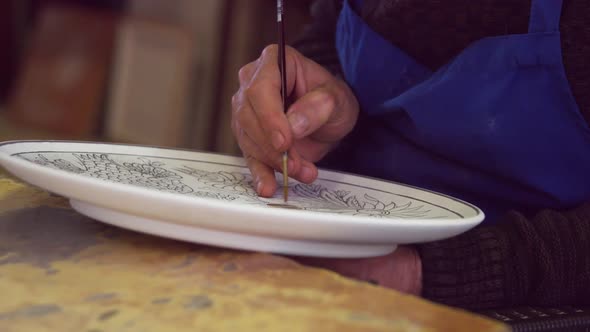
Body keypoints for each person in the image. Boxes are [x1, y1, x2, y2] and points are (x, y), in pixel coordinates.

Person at [230, 0, 590, 310]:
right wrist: (323, 96)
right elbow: (332, 28)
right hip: (352, 249)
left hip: (530, 293)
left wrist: (423, 272)